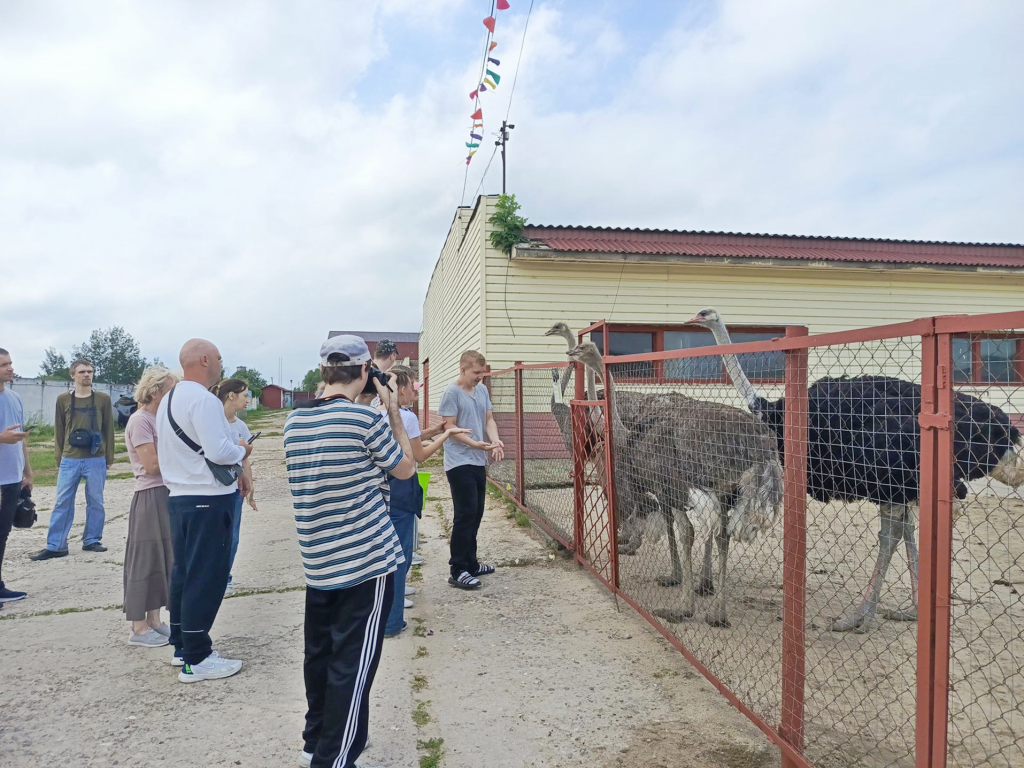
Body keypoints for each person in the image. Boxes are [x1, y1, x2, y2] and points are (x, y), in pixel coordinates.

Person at [285, 335, 416, 768]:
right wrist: (392, 408)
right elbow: (405, 468)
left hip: (318, 561)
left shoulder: (293, 423)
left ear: (324, 372)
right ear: (365, 372)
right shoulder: (364, 421)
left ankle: (317, 740)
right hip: (365, 559)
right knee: (354, 666)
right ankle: (336, 758)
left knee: (319, 656)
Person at [157, 339, 252, 683]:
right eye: (219, 358)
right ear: (204, 359)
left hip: (180, 496)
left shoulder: (170, 398)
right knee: (206, 577)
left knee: (184, 573)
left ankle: (182, 644)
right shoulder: (204, 399)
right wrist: (241, 449)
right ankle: (197, 658)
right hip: (208, 498)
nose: (222, 365)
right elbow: (219, 451)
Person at [379, 365, 468, 637]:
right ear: (401, 389)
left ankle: (384, 613)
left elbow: (408, 439)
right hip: (403, 487)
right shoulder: (405, 417)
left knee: (385, 553)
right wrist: (446, 435)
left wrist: (434, 429)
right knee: (401, 553)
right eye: (413, 388)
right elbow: (419, 455)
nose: (416, 394)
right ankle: (393, 621)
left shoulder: (375, 410)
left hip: (381, 488)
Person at [31, 358, 115, 561]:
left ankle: (92, 540)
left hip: (96, 457)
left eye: (90, 371)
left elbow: (109, 429)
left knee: (96, 501)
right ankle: (56, 544)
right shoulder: (63, 400)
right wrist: (58, 456)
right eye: (82, 372)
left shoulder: (103, 399)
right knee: (62, 501)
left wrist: (109, 457)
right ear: (73, 375)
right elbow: (59, 429)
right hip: (70, 457)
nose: (87, 375)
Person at [123, 365, 179, 647]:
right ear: (156, 391)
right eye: (170, 390)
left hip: (166, 494)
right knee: (145, 560)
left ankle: (155, 619)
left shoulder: (160, 419)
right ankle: (138, 627)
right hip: (149, 495)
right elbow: (152, 465)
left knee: (162, 559)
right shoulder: (140, 421)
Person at [438, 350, 504, 590]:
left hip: (478, 460)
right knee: (464, 515)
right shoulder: (451, 392)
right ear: (463, 369)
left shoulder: (482, 390)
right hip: (459, 461)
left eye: (482, 373)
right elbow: (449, 427)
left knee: (476, 513)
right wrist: (474, 443)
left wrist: (494, 441)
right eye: (476, 373)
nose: (480, 377)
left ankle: (471, 563)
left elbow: (489, 420)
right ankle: (458, 569)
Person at [214, 378, 257, 594]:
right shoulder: (212, 422)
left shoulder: (241, 426)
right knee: (214, 536)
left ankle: (225, 578)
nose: (248, 400)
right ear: (231, 395)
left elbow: (245, 459)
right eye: (245, 395)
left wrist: (249, 485)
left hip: (235, 491)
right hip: (214, 488)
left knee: (232, 536)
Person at [0, 348, 31, 604]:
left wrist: (27, 471)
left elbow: (21, 440)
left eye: (10, 363)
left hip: (11, 478)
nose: (10, 368)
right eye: (3, 365)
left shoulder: (14, 397)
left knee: (3, 532)